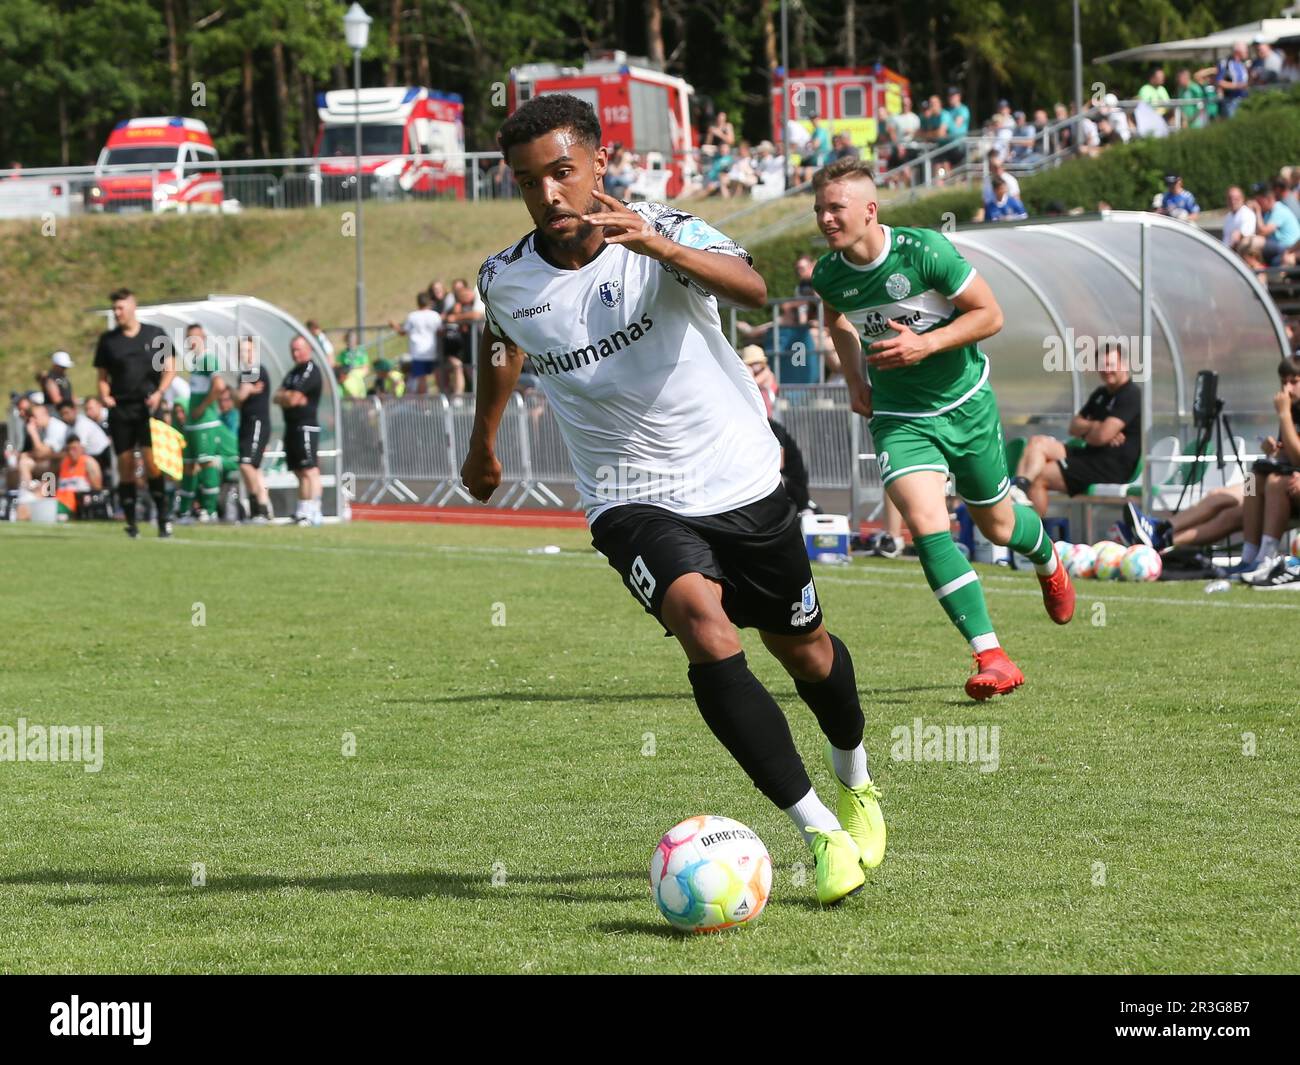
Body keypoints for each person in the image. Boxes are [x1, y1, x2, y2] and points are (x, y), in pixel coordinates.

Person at [461, 92, 885, 905]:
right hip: (627, 498)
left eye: (561, 173)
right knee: (702, 622)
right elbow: (501, 342)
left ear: (597, 166)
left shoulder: (668, 230)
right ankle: (817, 831)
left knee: (807, 651)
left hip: (741, 480)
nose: (547, 194)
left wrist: (658, 246)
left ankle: (857, 784)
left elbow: (754, 289)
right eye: (527, 181)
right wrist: (485, 439)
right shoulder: (505, 278)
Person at [808, 157, 1075, 702]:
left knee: (999, 526)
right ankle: (992, 656)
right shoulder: (828, 273)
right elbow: (836, 318)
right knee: (928, 525)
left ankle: (1048, 558)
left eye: (836, 208)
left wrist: (924, 343)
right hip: (900, 419)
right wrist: (855, 379)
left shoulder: (925, 250)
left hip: (965, 404)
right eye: (819, 210)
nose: (826, 219)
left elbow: (990, 315)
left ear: (869, 209)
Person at [1012, 344, 1141, 516]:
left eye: (1111, 364)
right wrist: (1096, 427)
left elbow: (1101, 437)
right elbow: (1074, 427)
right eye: (1102, 365)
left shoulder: (1131, 394)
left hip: (1110, 466)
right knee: (1037, 442)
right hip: (1090, 455)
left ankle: (1034, 538)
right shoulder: (1101, 394)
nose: (1106, 370)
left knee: (1041, 476)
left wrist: (1093, 430)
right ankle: (1019, 487)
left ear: (1124, 365)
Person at [92, 288, 176, 538]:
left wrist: (160, 392)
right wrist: (105, 395)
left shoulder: (155, 334)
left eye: (121, 308)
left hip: (148, 406)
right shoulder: (108, 341)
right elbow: (102, 377)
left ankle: (163, 518)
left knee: (153, 464)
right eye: (114, 309)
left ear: (132, 307)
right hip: (121, 408)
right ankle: (131, 522)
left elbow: (170, 368)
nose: (117, 313)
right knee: (126, 464)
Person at [176, 323, 230, 523]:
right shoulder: (196, 362)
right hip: (193, 424)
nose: (192, 342)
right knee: (189, 465)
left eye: (195, 337)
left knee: (207, 462)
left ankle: (210, 509)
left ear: (203, 338)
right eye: (189, 338)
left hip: (205, 422)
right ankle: (184, 511)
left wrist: (202, 407)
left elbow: (219, 385)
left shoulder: (208, 358)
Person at [275, 335, 323, 526]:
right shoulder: (293, 372)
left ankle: (314, 511)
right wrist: (288, 396)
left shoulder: (311, 370)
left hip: (306, 425)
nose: (295, 354)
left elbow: (294, 400)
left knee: (309, 469)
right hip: (292, 426)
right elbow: (277, 396)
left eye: (299, 349)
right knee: (298, 470)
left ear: (308, 349)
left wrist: (289, 397)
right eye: (293, 350)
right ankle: (302, 511)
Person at [235, 336, 273, 522]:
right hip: (246, 424)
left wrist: (243, 392)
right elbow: (238, 398)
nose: (246, 355)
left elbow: (240, 396)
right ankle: (263, 507)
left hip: (258, 423)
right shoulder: (244, 374)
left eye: (249, 350)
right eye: (242, 351)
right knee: (253, 468)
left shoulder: (258, 370)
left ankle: (257, 505)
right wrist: (243, 391)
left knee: (246, 464)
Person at [389, 292, 441, 395]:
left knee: (421, 378)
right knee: (436, 376)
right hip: (432, 350)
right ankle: (441, 397)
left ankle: (422, 404)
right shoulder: (435, 315)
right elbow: (440, 331)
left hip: (418, 352)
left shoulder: (413, 316)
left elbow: (403, 332)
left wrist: (394, 326)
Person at [440, 278, 486, 395]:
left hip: (480, 341)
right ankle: (475, 394)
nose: (462, 294)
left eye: (464, 291)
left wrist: (456, 318)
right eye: (458, 292)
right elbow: (448, 318)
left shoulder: (478, 301)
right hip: (467, 343)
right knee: (469, 369)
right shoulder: (457, 306)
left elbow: (477, 315)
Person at [55, 435, 102, 518]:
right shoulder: (64, 463)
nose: (71, 452)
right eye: (68, 449)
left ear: (81, 448)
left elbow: (97, 490)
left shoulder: (89, 463)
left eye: (74, 449)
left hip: (74, 505)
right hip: (58, 501)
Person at [1222, 184, 1257, 252]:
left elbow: (1240, 237)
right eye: (1230, 198)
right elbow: (1225, 239)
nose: (1233, 201)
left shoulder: (1248, 214)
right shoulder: (1228, 216)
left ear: (1242, 198)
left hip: (1243, 253)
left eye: (1236, 199)